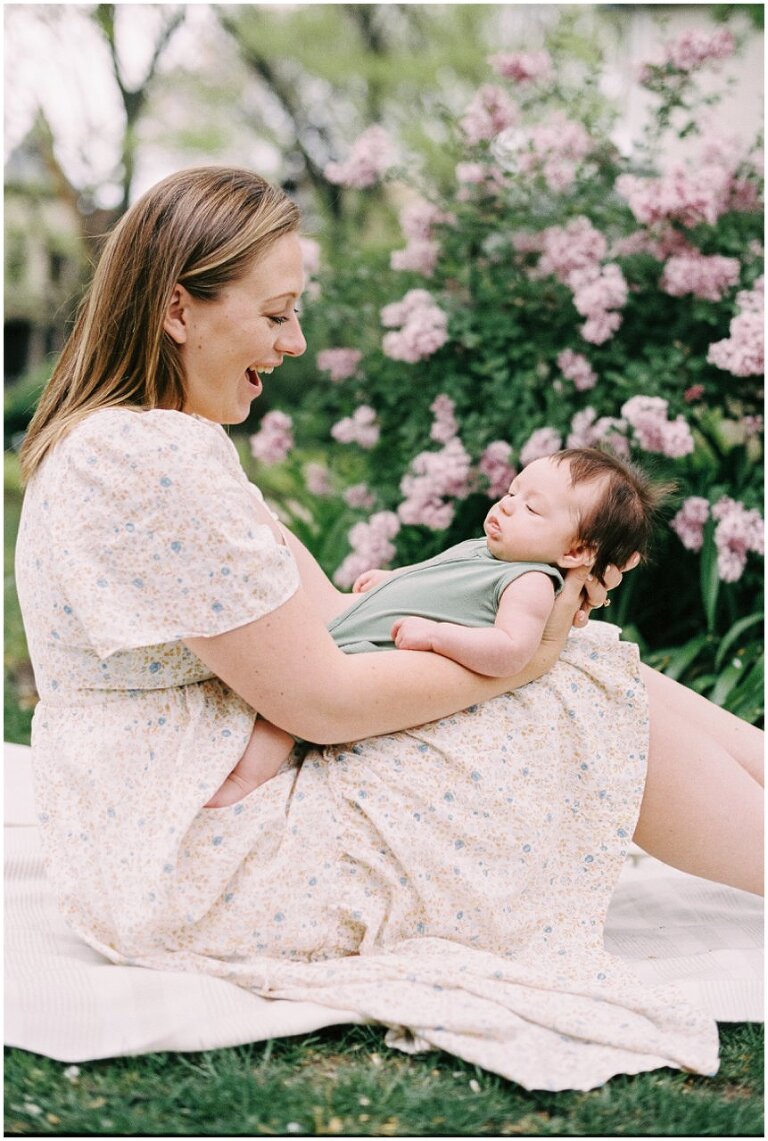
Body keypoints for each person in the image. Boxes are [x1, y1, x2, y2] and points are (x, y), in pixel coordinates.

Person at [15, 166, 762, 1092]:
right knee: (580, 690)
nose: (295, 341)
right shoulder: (150, 457)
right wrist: (525, 659)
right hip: (199, 851)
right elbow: (323, 700)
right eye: (277, 313)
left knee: (586, 660)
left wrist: (539, 614)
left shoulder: (140, 439)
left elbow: (337, 618)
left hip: (172, 816)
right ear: (177, 309)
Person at [206, 447, 670, 808]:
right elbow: (437, 578)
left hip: (373, 652)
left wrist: (437, 637)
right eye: (512, 493)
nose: (508, 507)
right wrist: (393, 579)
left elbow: (511, 650)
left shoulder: (530, 581)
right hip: (357, 629)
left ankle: (244, 783)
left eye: (532, 509)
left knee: (281, 715)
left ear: (575, 553)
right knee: (278, 693)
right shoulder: (490, 550)